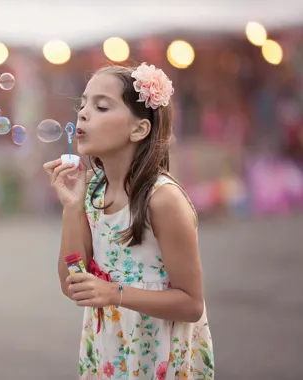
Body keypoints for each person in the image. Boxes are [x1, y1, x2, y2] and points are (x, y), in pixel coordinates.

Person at [44, 63, 214, 379]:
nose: (82, 114)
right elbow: (73, 284)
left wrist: (114, 294)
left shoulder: (163, 199)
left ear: (138, 129)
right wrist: (71, 207)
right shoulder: (93, 191)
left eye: (101, 106)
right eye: (82, 105)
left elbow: (192, 303)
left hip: (158, 356)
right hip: (110, 353)